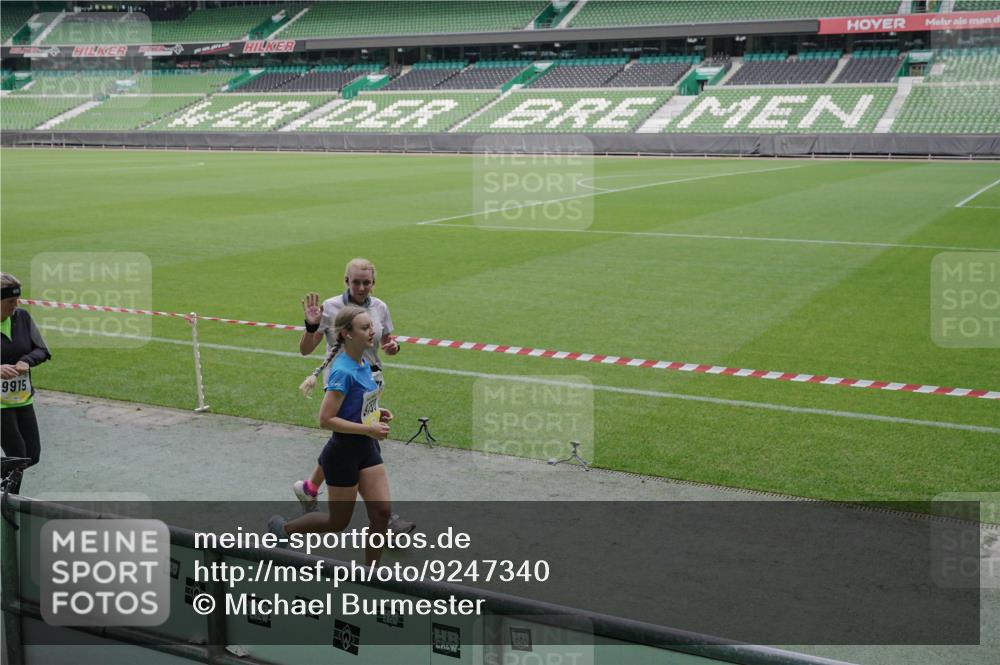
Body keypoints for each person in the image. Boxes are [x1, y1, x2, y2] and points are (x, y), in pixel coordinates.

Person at [294, 258, 413, 534]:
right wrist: (311, 326)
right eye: (355, 281)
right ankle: (384, 515)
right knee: (359, 438)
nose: (361, 287)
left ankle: (309, 488)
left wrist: (393, 347)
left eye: (366, 282)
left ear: (374, 283)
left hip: (370, 381)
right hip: (343, 382)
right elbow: (305, 349)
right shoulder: (332, 307)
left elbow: (386, 342)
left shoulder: (380, 307)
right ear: (346, 281)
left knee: (349, 439)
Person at [270, 305, 394, 565]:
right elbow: (326, 420)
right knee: (337, 522)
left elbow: (356, 406)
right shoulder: (342, 371)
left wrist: (377, 413)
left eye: (371, 326)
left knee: (381, 513)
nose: (372, 332)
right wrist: (369, 429)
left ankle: (371, 574)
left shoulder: (364, 363)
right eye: (365, 328)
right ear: (347, 334)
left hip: (367, 450)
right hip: (343, 454)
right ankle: (284, 529)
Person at [1, 272, 51, 494]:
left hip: (21, 399)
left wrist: (26, 360)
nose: (15, 305)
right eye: (10, 301)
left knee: (32, 454)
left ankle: (6, 497)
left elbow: (42, 350)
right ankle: (9, 505)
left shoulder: (22, 318)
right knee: (18, 455)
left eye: (17, 300)